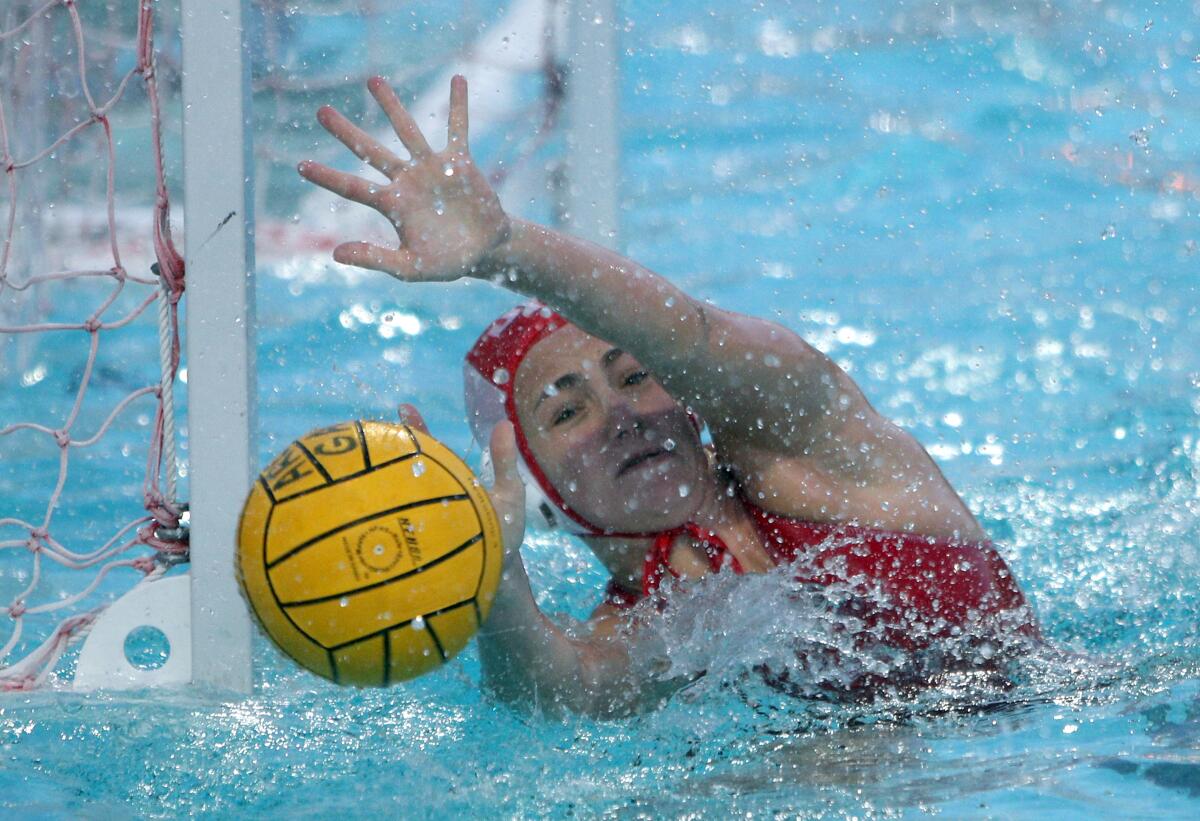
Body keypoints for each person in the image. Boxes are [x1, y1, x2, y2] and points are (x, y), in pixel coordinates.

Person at [299, 76, 1039, 718]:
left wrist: (506, 249)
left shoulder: (817, 455)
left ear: (687, 401)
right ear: (541, 492)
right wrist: (493, 573)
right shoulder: (643, 627)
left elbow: (693, 334)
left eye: (632, 375)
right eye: (567, 410)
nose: (618, 414)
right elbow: (560, 695)